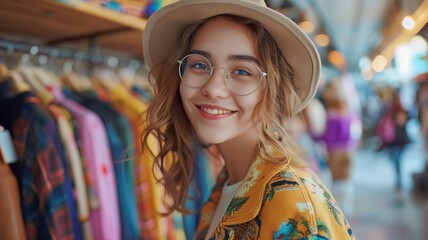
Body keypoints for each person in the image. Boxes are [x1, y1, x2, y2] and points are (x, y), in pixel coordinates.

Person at [141, 0, 355, 239]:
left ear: (273, 90)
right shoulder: (230, 182)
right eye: (200, 64)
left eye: (242, 71)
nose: (213, 89)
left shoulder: (294, 204)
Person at [308, 79, 362, 218]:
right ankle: (346, 209)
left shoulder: (332, 116)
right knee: (346, 181)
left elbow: (328, 138)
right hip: (349, 151)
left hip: (335, 153)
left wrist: (313, 135)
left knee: (334, 182)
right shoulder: (349, 113)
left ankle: (337, 212)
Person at [377, 89, 410, 190]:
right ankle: (399, 179)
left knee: (397, 160)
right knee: (398, 160)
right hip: (399, 140)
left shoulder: (392, 109)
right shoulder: (400, 109)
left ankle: (399, 179)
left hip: (395, 140)